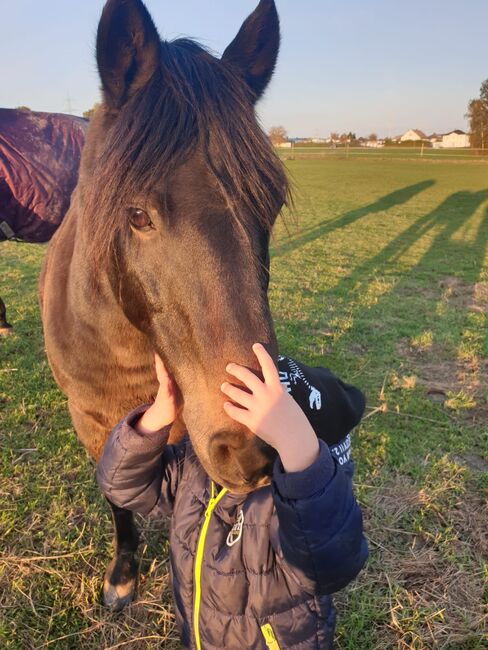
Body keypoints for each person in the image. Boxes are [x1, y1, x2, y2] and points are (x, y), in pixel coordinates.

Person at [97, 343, 368, 649]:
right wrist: (160, 412)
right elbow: (120, 485)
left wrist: (300, 451)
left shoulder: (288, 510)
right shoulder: (198, 470)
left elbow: (332, 563)